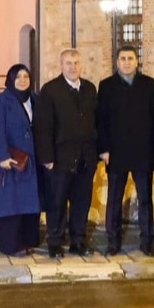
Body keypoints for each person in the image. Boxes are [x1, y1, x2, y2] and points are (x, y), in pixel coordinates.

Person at [97, 45, 154, 256]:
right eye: (123, 58)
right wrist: (104, 149)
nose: (126, 62)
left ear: (137, 62)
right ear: (117, 62)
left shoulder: (148, 84)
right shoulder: (106, 86)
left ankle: (147, 242)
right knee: (114, 199)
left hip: (143, 151)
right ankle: (113, 242)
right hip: (116, 152)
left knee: (145, 200)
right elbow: (101, 121)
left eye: (130, 58)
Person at [34, 49, 100, 258]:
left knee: (82, 202)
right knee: (57, 202)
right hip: (60, 158)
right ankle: (55, 241)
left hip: (85, 157)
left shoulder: (89, 89)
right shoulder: (50, 90)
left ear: (82, 65)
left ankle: (78, 240)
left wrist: (96, 153)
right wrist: (47, 157)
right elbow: (43, 126)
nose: (73, 67)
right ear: (61, 65)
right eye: (68, 63)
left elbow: (97, 122)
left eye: (76, 63)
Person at [0, 64, 42, 257]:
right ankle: (11, 245)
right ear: (10, 79)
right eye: (17, 76)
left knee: (29, 203)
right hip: (11, 159)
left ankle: (28, 242)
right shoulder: (1, 101)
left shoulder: (36, 99)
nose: (22, 80)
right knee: (11, 203)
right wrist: (2, 156)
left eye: (26, 76)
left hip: (32, 160)